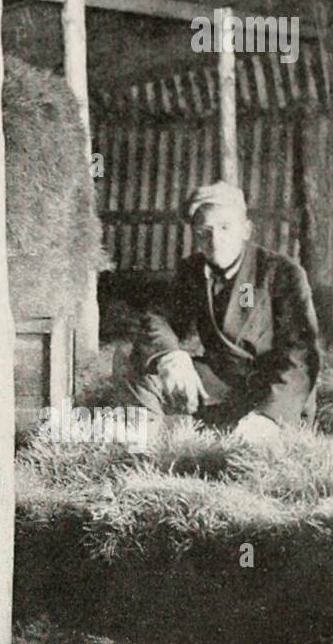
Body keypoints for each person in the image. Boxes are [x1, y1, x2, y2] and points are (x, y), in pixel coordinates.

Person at [113, 180, 321, 447]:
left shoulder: (281, 273)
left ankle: (242, 432)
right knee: (139, 364)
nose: (215, 240)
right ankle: (148, 452)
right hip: (222, 383)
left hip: (276, 392)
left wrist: (269, 416)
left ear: (246, 230)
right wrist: (172, 357)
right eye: (204, 232)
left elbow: (301, 356)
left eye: (225, 227)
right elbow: (159, 317)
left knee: (252, 459)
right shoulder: (192, 271)